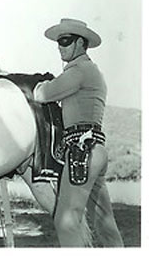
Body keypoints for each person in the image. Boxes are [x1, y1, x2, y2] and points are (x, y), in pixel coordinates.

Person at [32, 18, 124, 247]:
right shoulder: (92, 71)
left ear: (81, 43)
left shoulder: (78, 71)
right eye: (59, 42)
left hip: (81, 151)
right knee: (104, 223)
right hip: (95, 149)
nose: (60, 46)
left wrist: (38, 85)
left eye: (65, 40)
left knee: (66, 222)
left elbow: (42, 95)